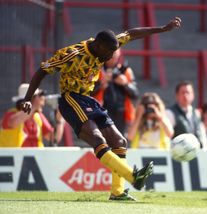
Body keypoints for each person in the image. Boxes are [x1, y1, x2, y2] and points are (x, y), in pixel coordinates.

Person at [20, 17, 182, 201]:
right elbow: (42, 70)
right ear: (98, 45)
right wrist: (28, 98)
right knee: (97, 138)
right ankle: (133, 177)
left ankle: (118, 192)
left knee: (119, 141)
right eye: (108, 53)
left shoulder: (108, 45)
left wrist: (162, 28)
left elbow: (132, 33)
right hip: (71, 99)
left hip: (89, 100)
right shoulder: (72, 54)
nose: (110, 57)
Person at [0, 83, 65, 147]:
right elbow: (13, 122)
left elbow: (53, 139)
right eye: (37, 97)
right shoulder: (10, 114)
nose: (41, 101)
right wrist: (33, 106)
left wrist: (60, 121)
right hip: (16, 157)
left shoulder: (38, 116)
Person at [96, 48, 138, 136]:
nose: (112, 57)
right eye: (110, 54)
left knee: (120, 139)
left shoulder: (125, 70)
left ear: (119, 54)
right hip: (101, 110)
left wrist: (125, 84)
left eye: (114, 54)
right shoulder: (97, 70)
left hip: (121, 112)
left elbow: (135, 94)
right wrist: (101, 84)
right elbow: (87, 92)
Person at [166, 80, 207, 149]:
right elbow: (167, 137)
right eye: (182, 93)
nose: (185, 95)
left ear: (193, 95)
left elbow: (202, 135)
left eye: (188, 92)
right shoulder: (170, 113)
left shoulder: (196, 113)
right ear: (177, 95)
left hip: (196, 152)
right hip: (178, 154)